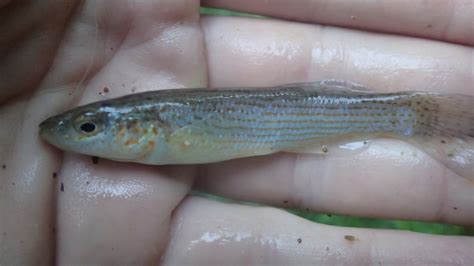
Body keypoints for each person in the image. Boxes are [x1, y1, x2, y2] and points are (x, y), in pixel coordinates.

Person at [1, 0, 473, 264]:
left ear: (141, 127)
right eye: (88, 126)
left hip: (302, 117)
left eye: (87, 127)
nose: (79, 133)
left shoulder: (160, 130)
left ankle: (421, 117)